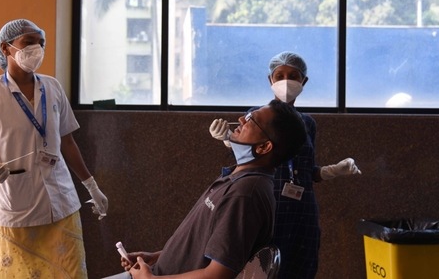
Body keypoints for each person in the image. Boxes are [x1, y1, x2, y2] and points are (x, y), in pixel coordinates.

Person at [0, 18, 109, 279]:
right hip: (16, 210)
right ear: (6, 49)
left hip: (61, 205)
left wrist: (92, 186)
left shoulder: (52, 88)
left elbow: (69, 143)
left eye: (40, 43)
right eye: (28, 42)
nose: (36, 49)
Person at [103, 100, 307, 279]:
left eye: (251, 121)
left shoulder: (245, 193)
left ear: (264, 147)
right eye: (246, 116)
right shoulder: (236, 179)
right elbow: (202, 246)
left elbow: (217, 274)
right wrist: (155, 256)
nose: (241, 120)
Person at [209, 51, 361, 279]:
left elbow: (308, 170)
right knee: (261, 268)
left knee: (301, 264)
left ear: (304, 81)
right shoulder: (256, 116)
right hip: (268, 202)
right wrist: (228, 139)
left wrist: (333, 171)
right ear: (270, 80)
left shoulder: (307, 123)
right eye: (279, 75)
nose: (285, 81)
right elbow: (246, 155)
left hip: (302, 209)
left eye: (293, 75)